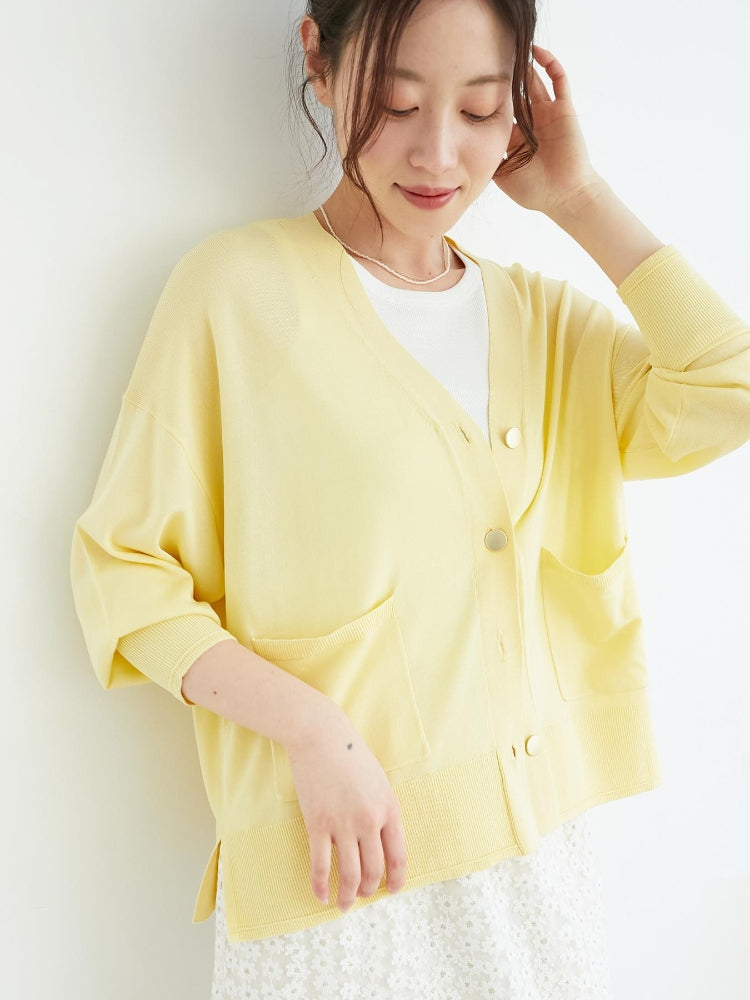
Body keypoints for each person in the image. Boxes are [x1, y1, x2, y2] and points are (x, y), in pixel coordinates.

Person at [69, 0, 750, 997]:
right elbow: (122, 570)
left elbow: (727, 386)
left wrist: (579, 197)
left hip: (535, 864)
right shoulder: (237, 293)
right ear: (319, 60)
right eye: (396, 102)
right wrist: (313, 728)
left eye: (479, 110)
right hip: (340, 876)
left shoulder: (541, 322)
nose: (438, 153)